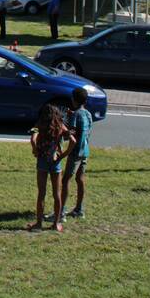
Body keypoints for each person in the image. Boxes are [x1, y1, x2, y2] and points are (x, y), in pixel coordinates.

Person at [27, 103, 74, 233]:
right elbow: (73, 141)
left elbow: (33, 139)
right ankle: (56, 224)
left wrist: (35, 150)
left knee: (41, 194)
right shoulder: (60, 125)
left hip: (42, 161)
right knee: (57, 194)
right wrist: (63, 155)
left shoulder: (39, 124)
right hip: (55, 162)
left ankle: (38, 224)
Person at [60, 87, 92, 223]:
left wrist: (63, 130)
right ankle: (79, 210)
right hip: (85, 151)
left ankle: (61, 212)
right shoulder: (87, 114)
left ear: (73, 100)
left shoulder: (75, 115)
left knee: (65, 180)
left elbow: (71, 134)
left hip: (75, 152)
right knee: (80, 179)